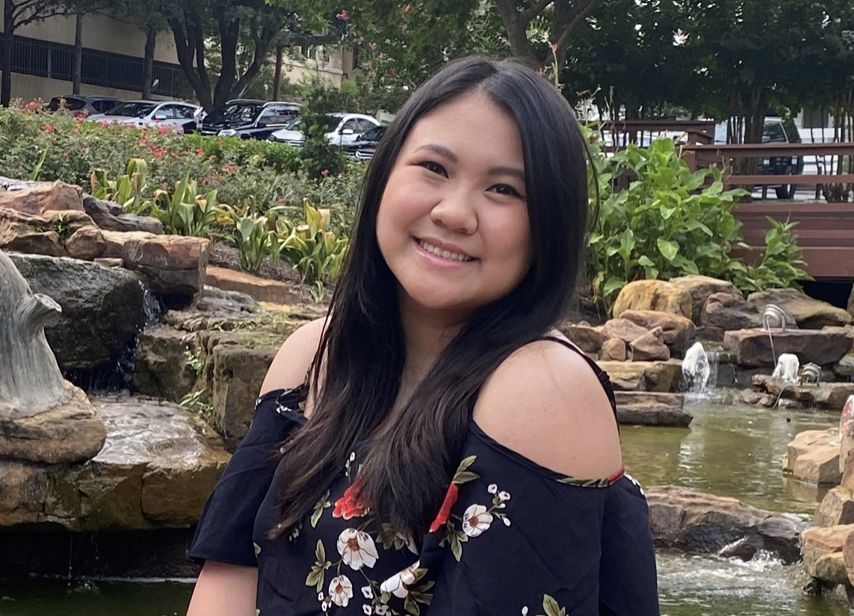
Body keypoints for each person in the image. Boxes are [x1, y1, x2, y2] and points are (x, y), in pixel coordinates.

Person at [186, 55, 659, 616]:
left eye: (505, 190)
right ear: (385, 174)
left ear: (548, 227)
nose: (455, 212)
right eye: (434, 168)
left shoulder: (542, 389)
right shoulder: (313, 356)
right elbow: (230, 575)